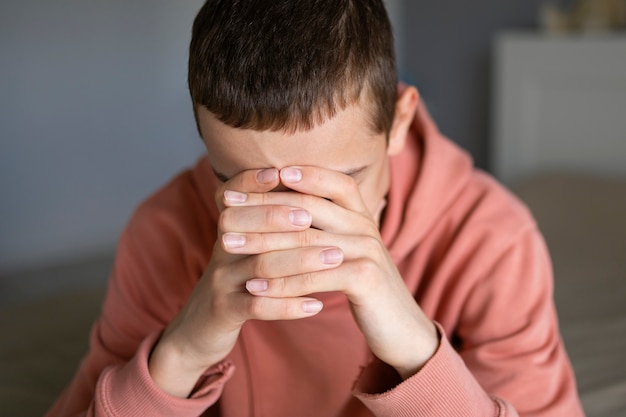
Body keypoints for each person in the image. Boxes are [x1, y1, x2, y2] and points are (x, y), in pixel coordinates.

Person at [47, 1, 585, 416]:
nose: (294, 225)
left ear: (399, 122)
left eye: (335, 184)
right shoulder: (163, 232)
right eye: (241, 182)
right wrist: (182, 351)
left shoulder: (493, 240)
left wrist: (419, 354)